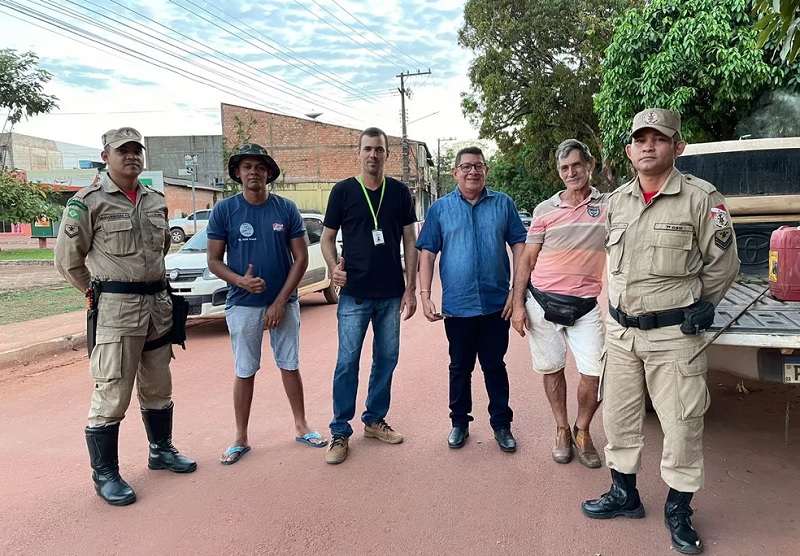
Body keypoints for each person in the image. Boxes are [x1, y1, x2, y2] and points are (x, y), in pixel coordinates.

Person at [581, 109, 739, 555]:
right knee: (619, 417)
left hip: (675, 336)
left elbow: (724, 263)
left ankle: (678, 509)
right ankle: (625, 494)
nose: (648, 146)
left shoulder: (701, 199)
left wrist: (702, 304)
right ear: (629, 150)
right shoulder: (617, 202)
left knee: (682, 423)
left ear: (677, 147)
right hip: (622, 334)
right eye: (640, 139)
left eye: (660, 138)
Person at [54, 127, 196, 507]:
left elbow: (162, 247)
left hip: (158, 307)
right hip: (116, 311)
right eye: (123, 150)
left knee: (158, 383)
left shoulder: (155, 200)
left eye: (136, 150)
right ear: (106, 156)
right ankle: (106, 474)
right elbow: (67, 262)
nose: (131, 156)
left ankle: (160, 450)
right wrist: (95, 292)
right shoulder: (87, 203)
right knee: (112, 389)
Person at [206, 144, 329, 465]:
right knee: (245, 369)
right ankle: (240, 437)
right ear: (237, 173)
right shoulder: (225, 211)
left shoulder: (285, 209)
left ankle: (302, 426)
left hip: (283, 302)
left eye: (259, 167)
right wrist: (240, 281)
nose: (253, 172)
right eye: (247, 167)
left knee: (290, 364)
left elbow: (300, 258)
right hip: (242, 303)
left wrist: (279, 301)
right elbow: (214, 261)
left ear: (268, 173)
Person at [417, 146, 527, 453]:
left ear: (486, 171)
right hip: (458, 306)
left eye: (478, 166)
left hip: (496, 305)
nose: (472, 172)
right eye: (465, 167)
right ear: (454, 172)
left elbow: (520, 245)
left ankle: (502, 426)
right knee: (459, 367)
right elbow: (427, 253)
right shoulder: (439, 209)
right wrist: (424, 294)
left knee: (494, 366)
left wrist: (515, 293)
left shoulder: (503, 204)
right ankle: (459, 423)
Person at [320, 127, 418, 465]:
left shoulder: (400, 193)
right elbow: (327, 239)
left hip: (391, 293)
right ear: (359, 153)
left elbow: (410, 242)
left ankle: (374, 420)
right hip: (354, 295)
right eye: (367, 149)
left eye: (379, 149)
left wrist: (410, 289)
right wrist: (334, 268)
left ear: (386, 154)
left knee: (387, 359)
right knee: (347, 362)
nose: (373, 155)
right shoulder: (343, 191)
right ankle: (339, 431)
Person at [510, 139, 606, 468]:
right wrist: (518, 303)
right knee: (552, 370)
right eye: (564, 168)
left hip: (585, 307)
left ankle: (583, 430)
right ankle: (562, 430)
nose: (571, 173)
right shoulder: (544, 211)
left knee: (594, 373)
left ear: (590, 165)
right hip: (542, 303)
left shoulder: (609, 207)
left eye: (577, 166)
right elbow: (527, 259)